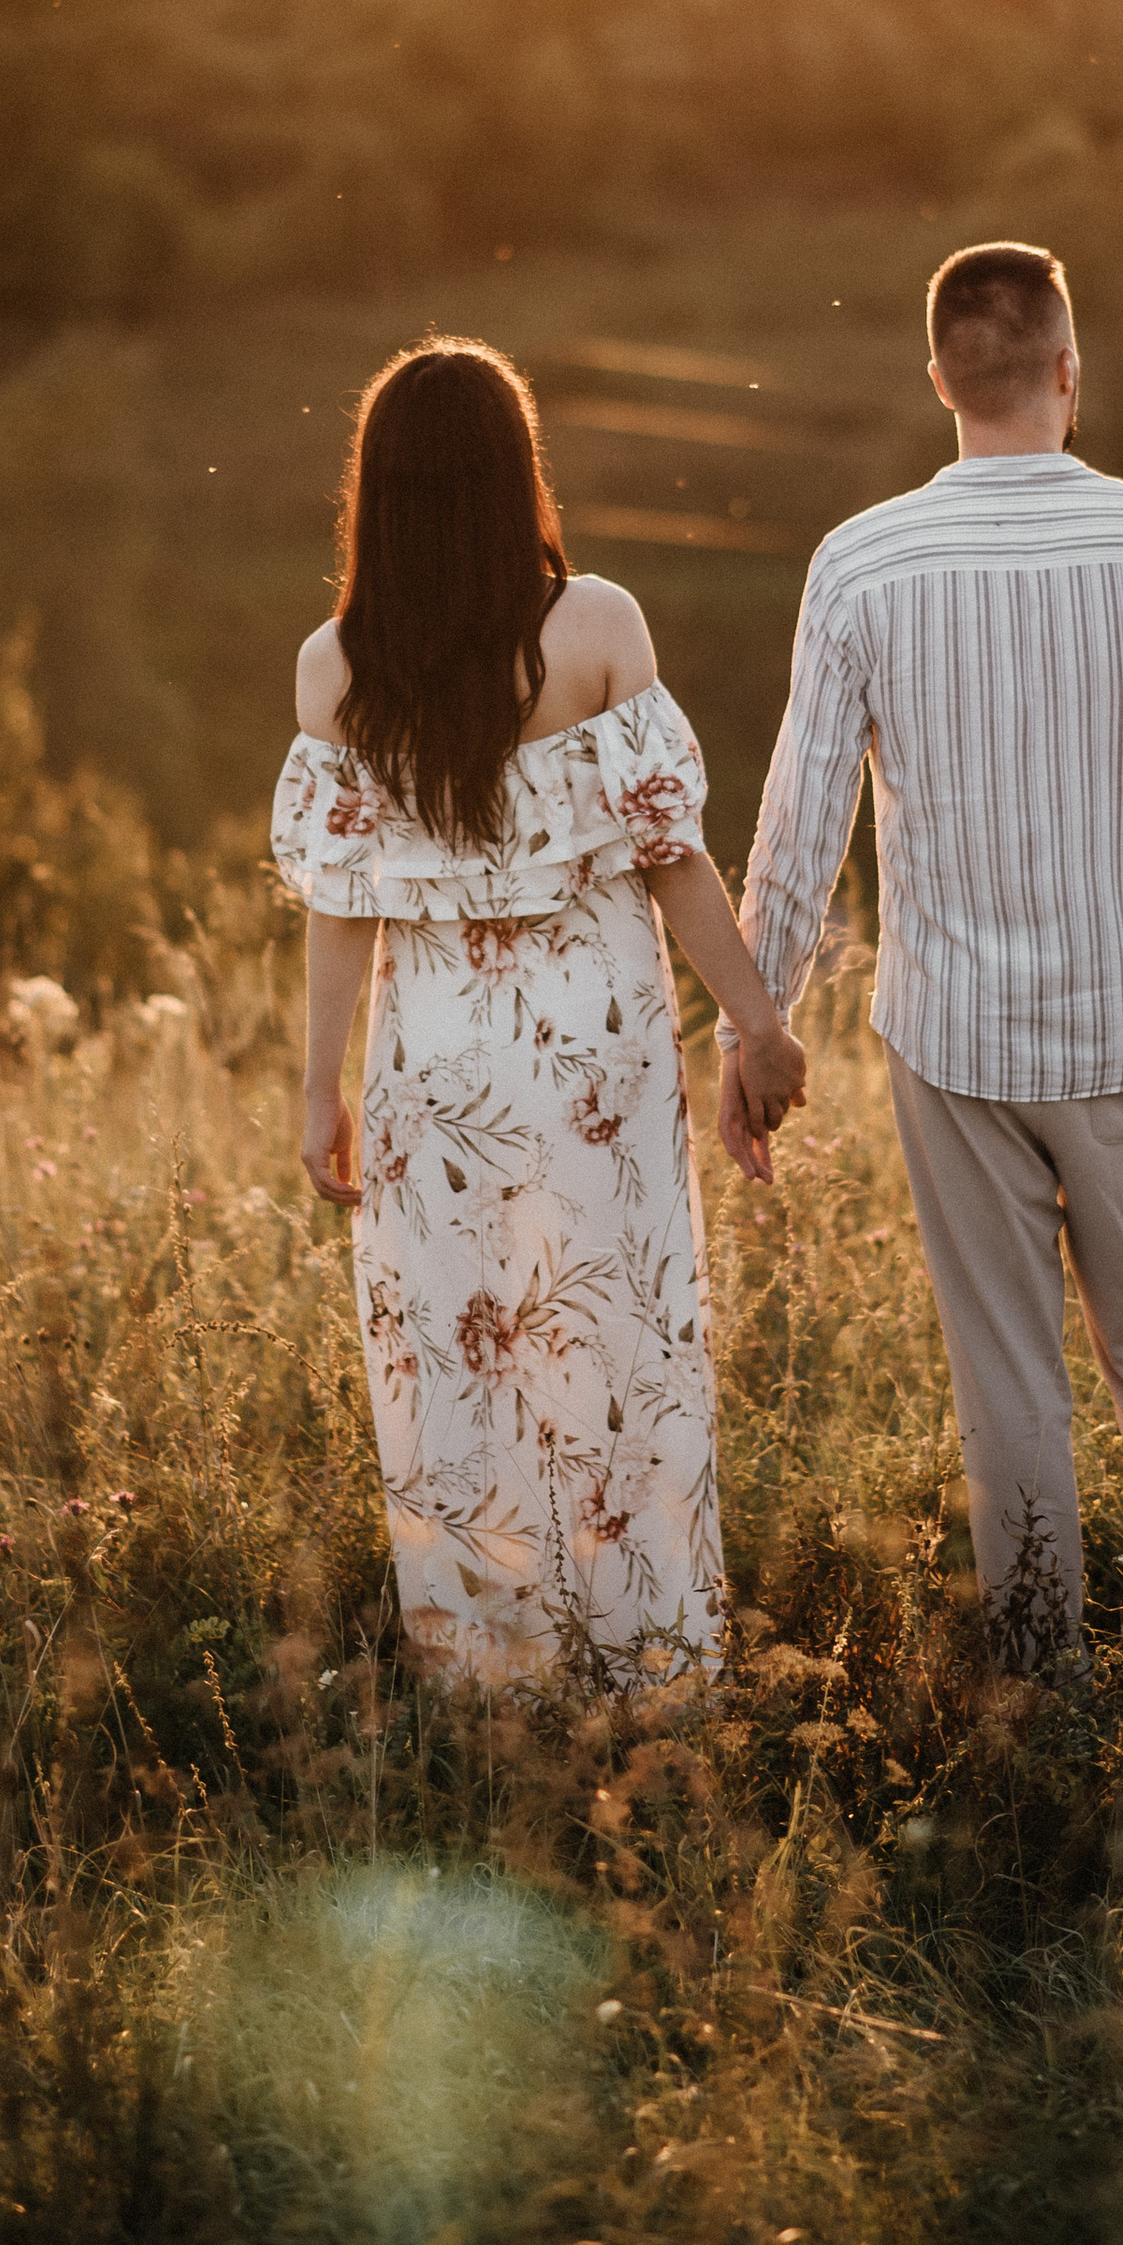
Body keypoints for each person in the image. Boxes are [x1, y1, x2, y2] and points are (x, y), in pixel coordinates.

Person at [724, 242, 1123, 1663]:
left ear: (937, 381)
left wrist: (758, 1022)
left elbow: (802, 816)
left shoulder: (861, 560)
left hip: (954, 1041)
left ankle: (1044, 1698)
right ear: (1067, 372)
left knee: (1009, 1388)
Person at [272, 337, 807, 1683]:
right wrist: (754, 1018)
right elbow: (671, 855)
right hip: (595, 1052)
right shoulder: (600, 628)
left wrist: (316, 1086)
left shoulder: (333, 667)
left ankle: (488, 1673)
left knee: (456, 1353)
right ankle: (653, 1664)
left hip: (433, 1054)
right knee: (617, 1341)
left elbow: (342, 901)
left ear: (377, 491)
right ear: (519, 475)